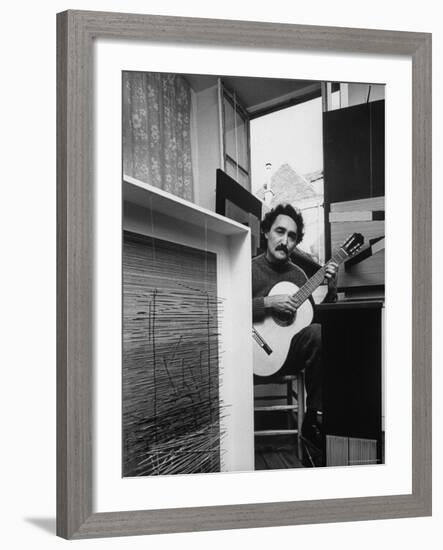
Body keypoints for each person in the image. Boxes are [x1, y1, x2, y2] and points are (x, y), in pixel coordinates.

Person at [252, 203, 338, 453]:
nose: (284, 241)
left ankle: (313, 418)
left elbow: (308, 321)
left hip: (286, 355)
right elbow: (228, 309)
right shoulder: (248, 269)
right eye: (279, 232)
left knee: (319, 333)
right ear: (267, 232)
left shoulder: (300, 276)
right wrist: (267, 304)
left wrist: (331, 290)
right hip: (251, 352)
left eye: (291, 236)